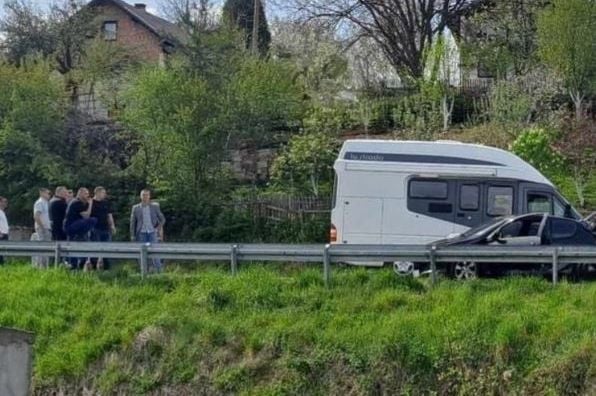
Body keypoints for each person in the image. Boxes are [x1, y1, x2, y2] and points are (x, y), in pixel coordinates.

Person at [130, 189, 166, 273]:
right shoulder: (135, 208)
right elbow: (132, 223)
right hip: (141, 233)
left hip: (152, 232)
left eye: (147, 195)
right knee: (142, 253)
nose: (145, 197)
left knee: (155, 252)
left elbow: (162, 219)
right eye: (143, 195)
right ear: (140, 196)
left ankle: (159, 271)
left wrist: (158, 228)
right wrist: (132, 235)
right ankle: (144, 272)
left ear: (149, 196)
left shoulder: (155, 206)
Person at [64, 188, 97, 269]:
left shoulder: (80, 203)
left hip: (75, 227)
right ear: (81, 194)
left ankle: (75, 265)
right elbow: (86, 216)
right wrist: (91, 204)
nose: (88, 195)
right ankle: (73, 265)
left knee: (76, 247)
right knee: (93, 220)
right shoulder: (77, 203)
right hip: (71, 226)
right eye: (86, 194)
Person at [90, 187, 116, 270]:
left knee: (107, 249)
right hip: (95, 228)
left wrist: (112, 226)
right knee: (95, 249)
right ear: (97, 193)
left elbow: (109, 215)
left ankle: (107, 268)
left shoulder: (105, 203)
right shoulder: (91, 202)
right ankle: (94, 267)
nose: (104, 195)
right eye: (103, 193)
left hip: (106, 228)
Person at [33, 188, 52, 269]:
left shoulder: (46, 203)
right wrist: (42, 227)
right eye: (47, 193)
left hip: (46, 228)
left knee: (47, 249)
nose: (49, 195)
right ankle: (41, 267)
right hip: (42, 229)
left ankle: (44, 267)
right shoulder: (40, 203)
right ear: (42, 193)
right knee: (42, 248)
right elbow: (36, 216)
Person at [0, 197, 9, 265]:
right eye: (4, 202)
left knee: (3, 251)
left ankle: (2, 264)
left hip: (4, 234)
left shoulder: (2, 212)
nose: (6, 203)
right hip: (1, 234)